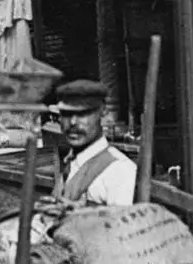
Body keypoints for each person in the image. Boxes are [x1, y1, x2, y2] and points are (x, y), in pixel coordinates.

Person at [41, 78, 138, 215]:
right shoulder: (72, 161)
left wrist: (84, 215)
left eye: (82, 114)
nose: (73, 122)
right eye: (66, 114)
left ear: (102, 112)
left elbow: (123, 230)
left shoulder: (120, 170)